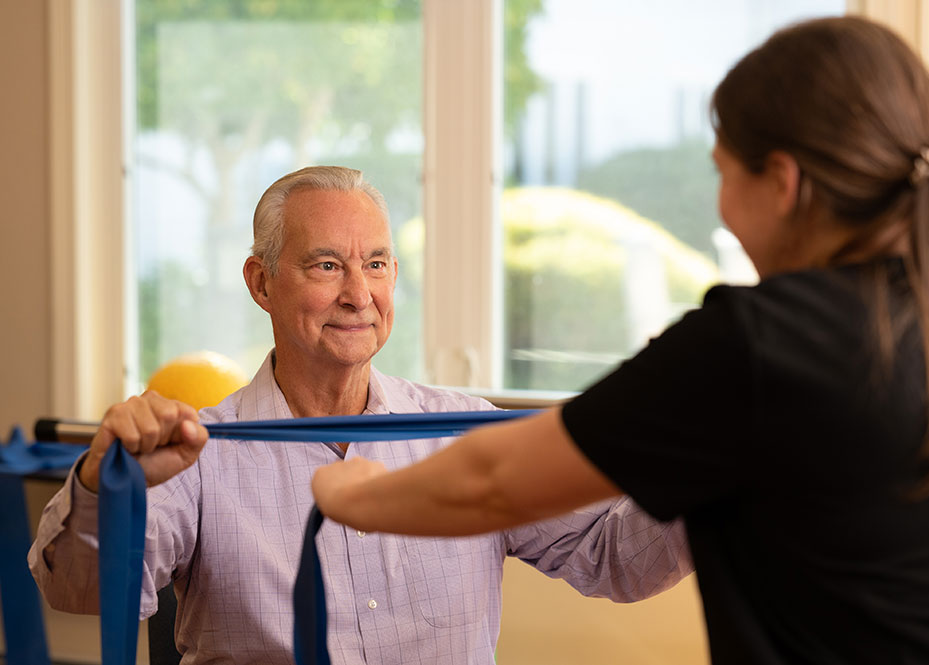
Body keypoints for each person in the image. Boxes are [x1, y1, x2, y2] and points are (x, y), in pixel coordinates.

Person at [308, 16, 929, 664]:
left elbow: (491, 480)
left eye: (724, 173)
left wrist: (355, 495)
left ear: (783, 183)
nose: (721, 204)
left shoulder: (759, 343)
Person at [28, 166, 692, 664]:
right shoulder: (197, 451)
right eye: (327, 265)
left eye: (376, 264)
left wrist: (721, 467)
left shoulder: (465, 434)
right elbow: (82, 593)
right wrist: (99, 482)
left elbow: (613, 559)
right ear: (261, 282)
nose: (358, 294)